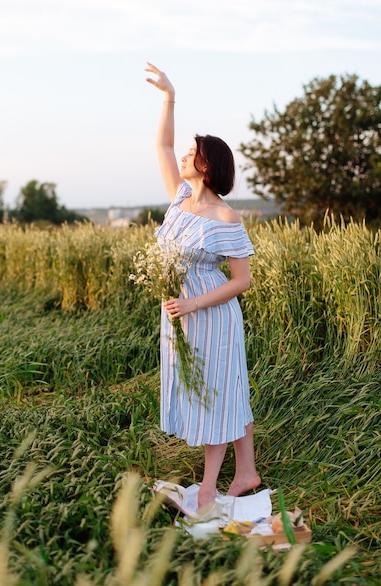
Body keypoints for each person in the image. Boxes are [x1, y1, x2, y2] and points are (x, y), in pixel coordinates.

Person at [145, 62, 261, 510]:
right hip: (179, 315)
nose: (182, 157)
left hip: (210, 316)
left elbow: (242, 281)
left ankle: (210, 487)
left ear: (208, 165)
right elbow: (161, 143)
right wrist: (169, 96)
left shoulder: (226, 218)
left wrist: (192, 303)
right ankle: (246, 472)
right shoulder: (179, 198)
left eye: (192, 153)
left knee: (216, 396)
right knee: (225, 391)